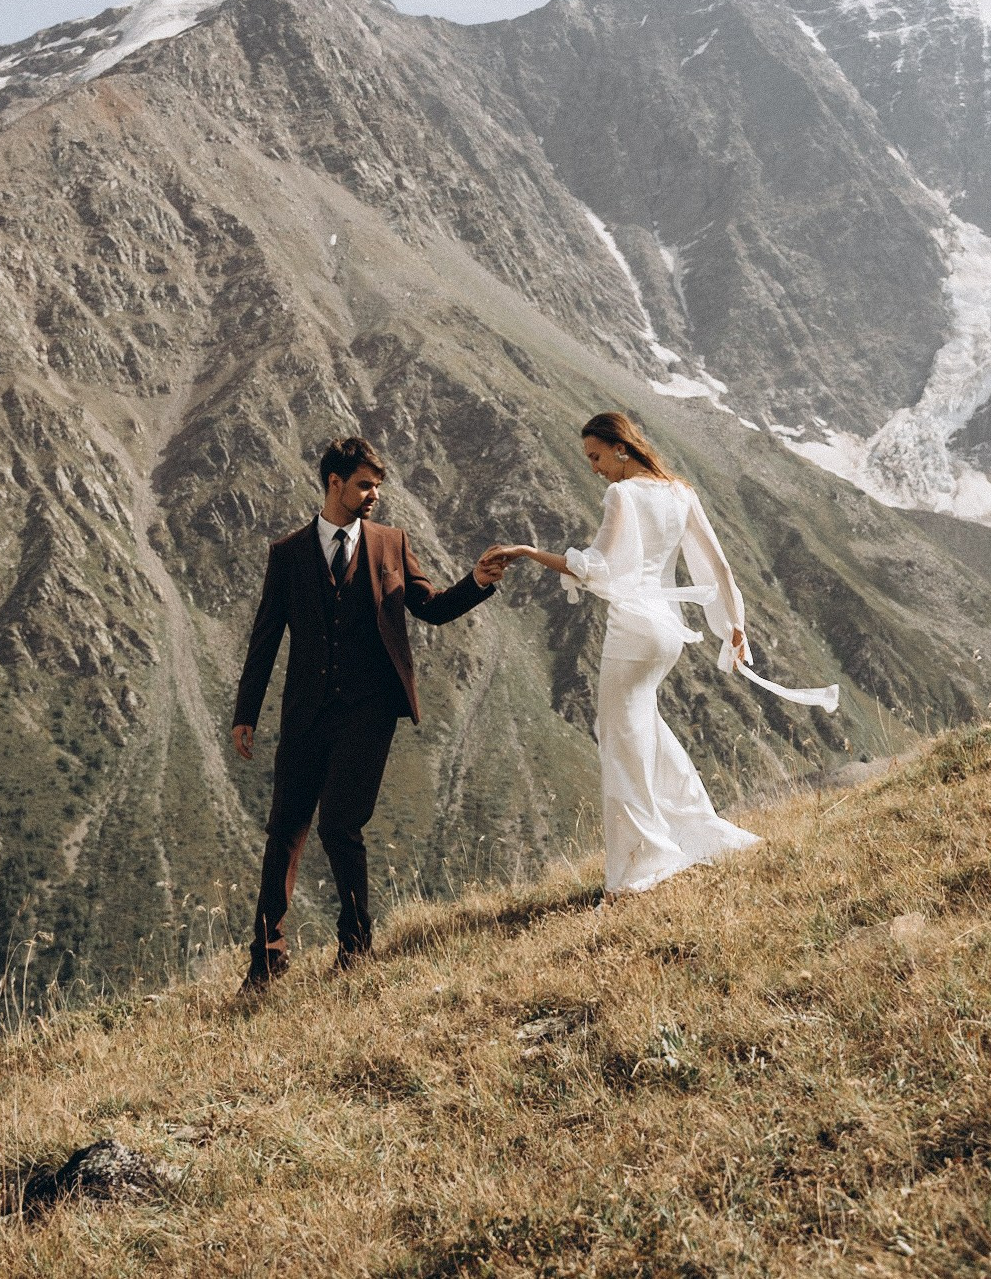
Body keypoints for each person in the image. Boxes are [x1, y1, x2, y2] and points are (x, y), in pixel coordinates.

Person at [506, 412, 838, 895]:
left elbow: (594, 569)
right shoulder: (680, 492)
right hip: (668, 634)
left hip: (634, 634)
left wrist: (527, 552)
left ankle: (645, 864)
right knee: (642, 728)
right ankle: (697, 829)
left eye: (597, 457)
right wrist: (733, 625)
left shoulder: (622, 494)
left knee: (620, 740)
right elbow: (718, 565)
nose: (594, 468)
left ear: (621, 448)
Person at [230, 435, 511, 991]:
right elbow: (264, 639)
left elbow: (429, 609)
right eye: (364, 484)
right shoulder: (286, 555)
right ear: (334, 483)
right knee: (283, 830)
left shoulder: (391, 543)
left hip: (369, 714)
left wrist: (477, 583)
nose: (374, 494)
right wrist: (247, 713)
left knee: (340, 825)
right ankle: (266, 961)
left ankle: (356, 946)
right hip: (305, 715)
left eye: (378, 485)